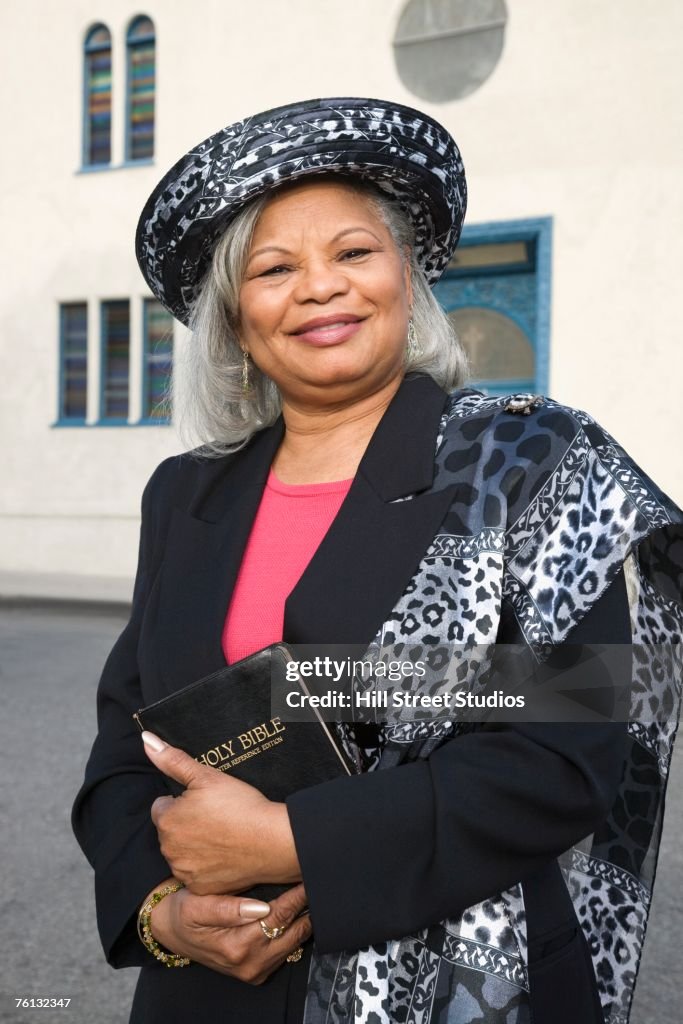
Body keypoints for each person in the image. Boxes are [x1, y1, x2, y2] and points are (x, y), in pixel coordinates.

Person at [72, 98, 683, 1024]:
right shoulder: (184, 495)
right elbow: (127, 746)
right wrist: (162, 912)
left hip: (462, 979)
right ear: (238, 323)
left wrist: (294, 840)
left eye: (354, 253)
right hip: (212, 986)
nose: (321, 288)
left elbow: (567, 750)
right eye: (275, 269)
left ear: (408, 277)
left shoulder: (528, 464)